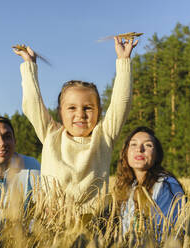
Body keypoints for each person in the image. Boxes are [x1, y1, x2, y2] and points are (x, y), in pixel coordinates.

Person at [14, 37, 137, 205]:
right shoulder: (51, 135)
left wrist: (123, 61)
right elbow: (31, 103)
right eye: (72, 108)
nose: (80, 114)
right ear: (60, 112)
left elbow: (121, 103)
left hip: (93, 224)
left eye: (88, 108)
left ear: (99, 112)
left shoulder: (104, 138)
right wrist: (29, 66)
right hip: (51, 224)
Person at [113, 126, 184, 236]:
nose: (139, 149)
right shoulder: (130, 186)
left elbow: (169, 236)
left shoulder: (167, 186)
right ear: (126, 152)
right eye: (133, 144)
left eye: (148, 145)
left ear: (156, 155)